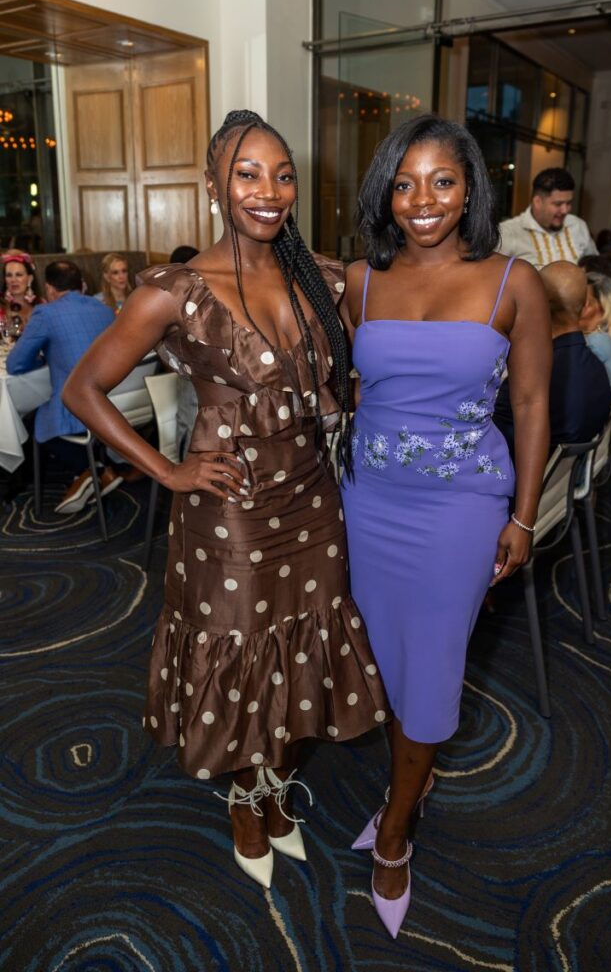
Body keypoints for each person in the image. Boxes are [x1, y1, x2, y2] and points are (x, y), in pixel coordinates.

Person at [63, 109, 387, 889]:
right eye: (247, 174)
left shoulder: (322, 277)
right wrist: (167, 471)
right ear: (212, 184)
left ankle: (276, 785)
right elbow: (83, 389)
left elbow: (352, 375)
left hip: (313, 496)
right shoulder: (174, 291)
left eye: (282, 175)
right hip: (230, 506)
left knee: (301, 642)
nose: (268, 190)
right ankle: (246, 798)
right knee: (240, 650)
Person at [339, 114, 552, 937]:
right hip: (367, 502)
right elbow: (351, 387)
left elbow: (530, 405)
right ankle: (415, 777)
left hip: (460, 508)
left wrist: (523, 516)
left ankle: (395, 832)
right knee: (382, 661)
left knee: (429, 669)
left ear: (469, 191)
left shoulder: (512, 282)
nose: (422, 200)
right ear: (384, 195)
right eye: (404, 184)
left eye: (441, 181)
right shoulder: (358, 281)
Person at [6, 260, 118, 512]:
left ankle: (90, 470)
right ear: (80, 284)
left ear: (49, 288)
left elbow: (15, 364)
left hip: (80, 404)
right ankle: (101, 470)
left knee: (33, 419)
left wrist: (39, 358)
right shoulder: (104, 309)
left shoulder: (46, 313)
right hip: (113, 400)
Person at [495, 261, 611, 454]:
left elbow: (497, 436)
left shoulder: (533, 374)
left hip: (524, 468)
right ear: (585, 306)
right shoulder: (598, 369)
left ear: (536, 303)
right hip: (566, 470)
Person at [499, 168, 596, 268]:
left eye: (569, 203)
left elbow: (595, 267)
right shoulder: (508, 233)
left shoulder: (578, 225)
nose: (565, 210)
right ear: (537, 202)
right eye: (558, 204)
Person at [167, 245, 200, 457]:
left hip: (191, 373)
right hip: (192, 373)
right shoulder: (171, 299)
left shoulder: (171, 296)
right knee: (191, 423)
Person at [1, 251, 43, 330]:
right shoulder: (1, 307)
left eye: (19, 275)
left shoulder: (42, 305)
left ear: (30, 279)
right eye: (9, 275)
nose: (13, 280)